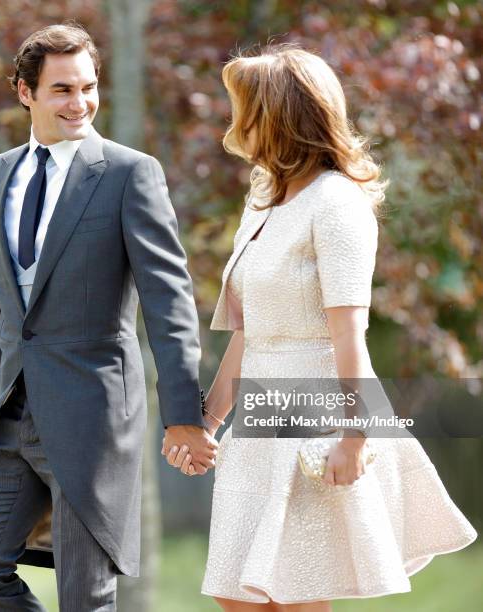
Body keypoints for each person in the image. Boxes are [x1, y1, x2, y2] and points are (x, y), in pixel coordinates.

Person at [163, 45, 477, 611]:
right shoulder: (262, 197)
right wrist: (207, 421)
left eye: (245, 109)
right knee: (237, 598)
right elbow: (247, 332)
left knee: (297, 598)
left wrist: (356, 437)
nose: (235, 123)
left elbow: (348, 337)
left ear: (281, 116)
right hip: (261, 420)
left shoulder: (338, 204)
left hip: (317, 413)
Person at [0, 23, 217, 611]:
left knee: (84, 597)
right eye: (63, 90)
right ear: (25, 92)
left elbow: (168, 303)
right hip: (6, 416)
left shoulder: (129, 173)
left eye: (89, 87)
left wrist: (182, 415)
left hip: (92, 419)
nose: (81, 103)